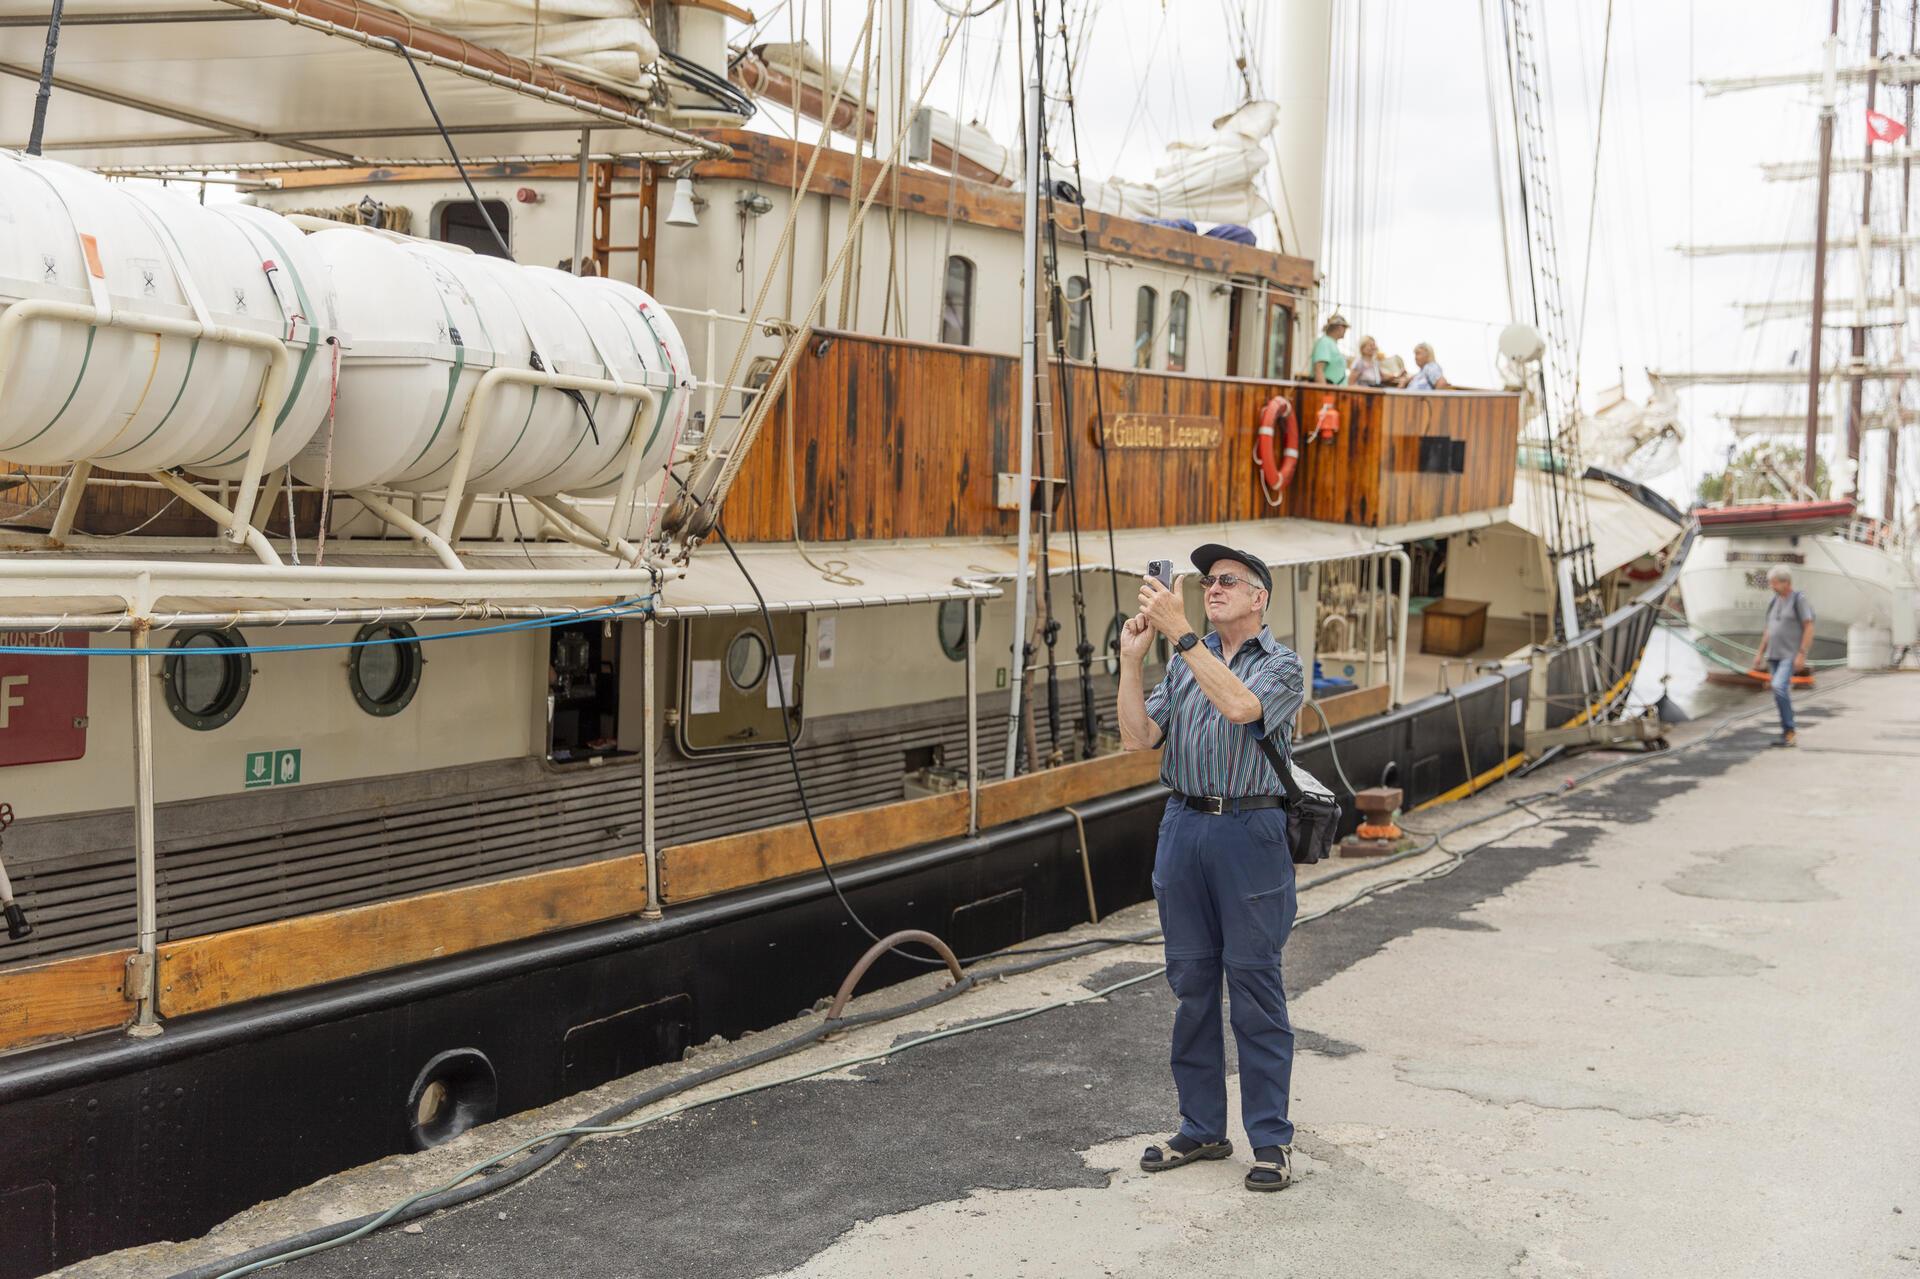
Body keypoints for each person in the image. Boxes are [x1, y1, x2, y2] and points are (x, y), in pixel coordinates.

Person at [1117, 544, 1307, 1193]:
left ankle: (1272, 1140)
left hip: (1250, 830)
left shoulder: (1282, 664)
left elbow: (1242, 708)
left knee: (1255, 988)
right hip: (1185, 823)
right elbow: (1138, 737)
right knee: (1192, 982)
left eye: (1228, 580)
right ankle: (1202, 1125)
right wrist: (1130, 662)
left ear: (1259, 597)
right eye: (1207, 580)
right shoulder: (1183, 662)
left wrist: (1181, 634)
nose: (1213, 587)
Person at [1751, 565, 1814, 747]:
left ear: (1786, 582)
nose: (1771, 586)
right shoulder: (1774, 602)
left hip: (1789, 654)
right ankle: (1786, 732)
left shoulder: (1798, 600)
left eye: (1774, 583)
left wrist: (1802, 654)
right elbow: (1769, 630)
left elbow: (1809, 626)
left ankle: (1790, 730)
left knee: (1779, 687)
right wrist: (1760, 653)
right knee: (1779, 692)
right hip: (1773, 655)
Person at [1309, 314, 1349, 385]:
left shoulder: (1331, 343)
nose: (1345, 331)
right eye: (1345, 328)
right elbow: (1319, 369)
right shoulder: (1325, 342)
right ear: (1339, 327)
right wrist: (1324, 392)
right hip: (1329, 391)